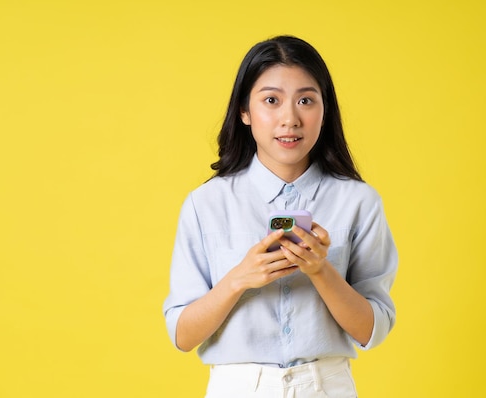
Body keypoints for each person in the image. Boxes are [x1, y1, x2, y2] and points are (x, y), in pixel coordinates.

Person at [163, 35, 398, 398]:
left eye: (306, 100)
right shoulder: (206, 203)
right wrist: (239, 279)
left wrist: (321, 270)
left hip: (326, 387)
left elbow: (372, 330)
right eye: (271, 100)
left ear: (324, 110)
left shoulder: (359, 201)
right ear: (245, 111)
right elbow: (182, 335)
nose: (290, 119)